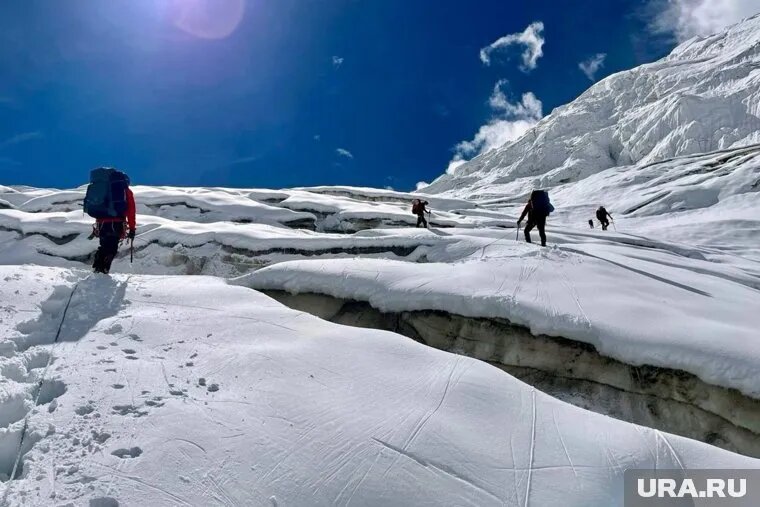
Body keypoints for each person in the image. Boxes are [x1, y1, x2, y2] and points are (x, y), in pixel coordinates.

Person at [85, 168, 136, 274]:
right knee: (112, 248)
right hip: (116, 223)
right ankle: (104, 270)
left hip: (102, 224)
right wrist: (132, 228)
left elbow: (100, 208)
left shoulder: (104, 189)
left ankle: (97, 268)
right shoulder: (126, 191)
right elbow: (131, 210)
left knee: (104, 246)